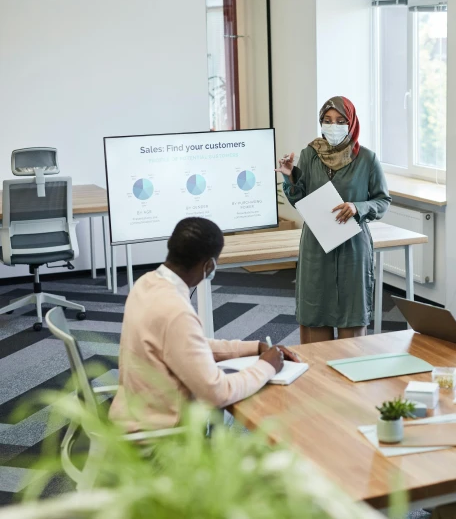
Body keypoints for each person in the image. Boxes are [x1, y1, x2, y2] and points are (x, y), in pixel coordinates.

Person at [109, 217, 300, 432]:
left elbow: (187, 345)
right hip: (161, 440)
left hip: (135, 415)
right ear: (208, 265)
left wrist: (254, 348)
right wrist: (267, 366)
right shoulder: (176, 312)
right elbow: (217, 393)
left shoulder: (145, 283)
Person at [276, 96, 391, 344]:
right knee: (315, 310)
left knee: (351, 314)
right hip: (316, 245)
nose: (333, 126)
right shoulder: (309, 155)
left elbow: (383, 201)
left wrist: (358, 207)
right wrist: (290, 177)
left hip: (352, 246)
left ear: (351, 122)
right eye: (327, 120)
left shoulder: (367, 159)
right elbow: (299, 199)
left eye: (340, 120)